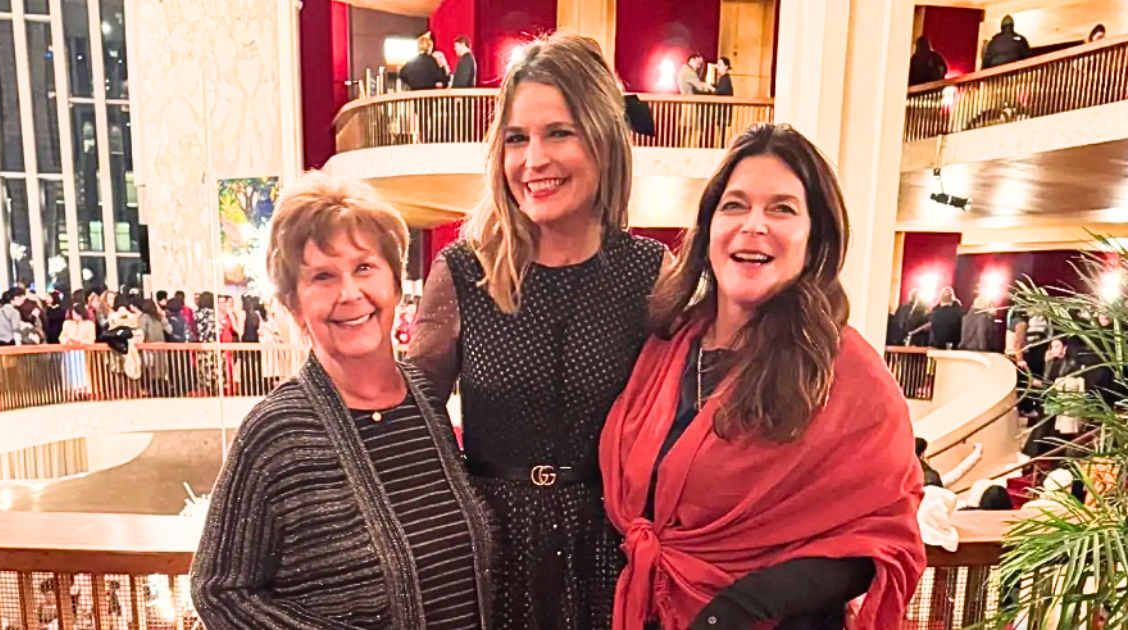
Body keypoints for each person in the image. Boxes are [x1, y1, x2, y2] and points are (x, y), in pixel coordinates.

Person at [600, 123, 925, 629]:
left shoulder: (845, 371)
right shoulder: (667, 346)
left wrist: (746, 605)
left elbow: (883, 534)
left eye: (782, 208)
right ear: (709, 228)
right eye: (735, 205)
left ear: (815, 236)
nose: (754, 225)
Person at [408, 32, 667, 629]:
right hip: (488, 555)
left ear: (603, 140)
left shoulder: (650, 274)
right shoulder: (465, 271)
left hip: (611, 557)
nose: (534, 161)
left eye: (559, 133)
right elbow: (412, 422)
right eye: (517, 139)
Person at [191, 172, 494, 629]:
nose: (350, 294)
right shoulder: (278, 431)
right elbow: (219, 590)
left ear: (396, 284)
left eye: (365, 268)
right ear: (295, 305)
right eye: (323, 277)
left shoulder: (424, 401)